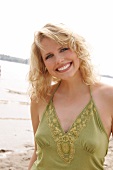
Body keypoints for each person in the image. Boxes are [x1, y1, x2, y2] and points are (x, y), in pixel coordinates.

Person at [28, 23, 113, 170]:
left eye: (63, 49)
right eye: (49, 56)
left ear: (77, 49)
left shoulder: (109, 97)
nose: (59, 60)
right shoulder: (39, 98)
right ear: (44, 65)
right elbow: (37, 152)